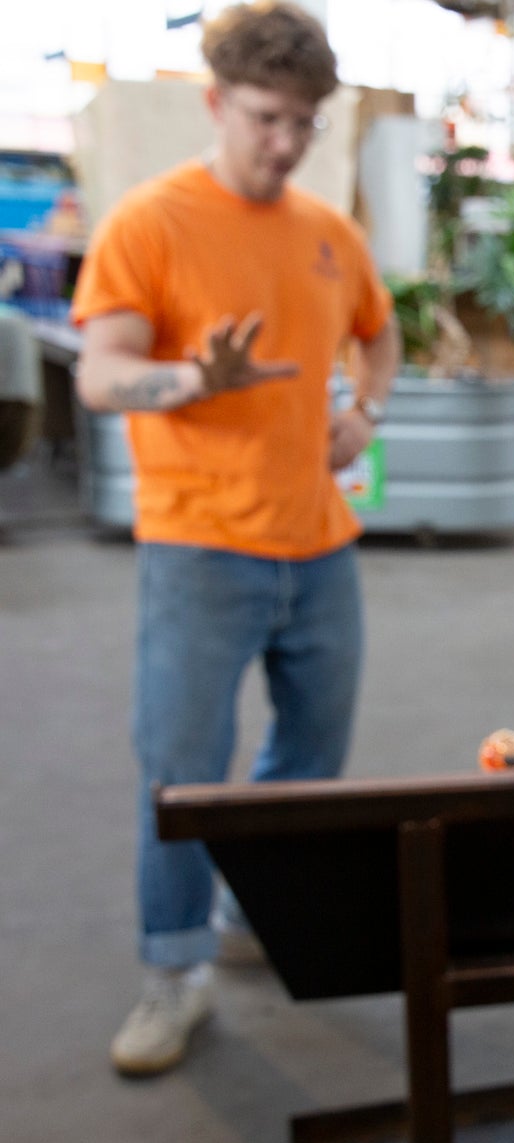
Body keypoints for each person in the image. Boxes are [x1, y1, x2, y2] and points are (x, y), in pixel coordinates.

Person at [72, 2, 400, 1077]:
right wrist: (190, 380)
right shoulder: (152, 223)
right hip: (200, 546)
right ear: (216, 103)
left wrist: (369, 407)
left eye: (305, 120)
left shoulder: (325, 232)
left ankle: (249, 904)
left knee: (310, 759)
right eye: (267, 117)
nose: (286, 141)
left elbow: (378, 326)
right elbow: (100, 372)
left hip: (319, 545)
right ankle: (172, 974)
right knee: (180, 770)